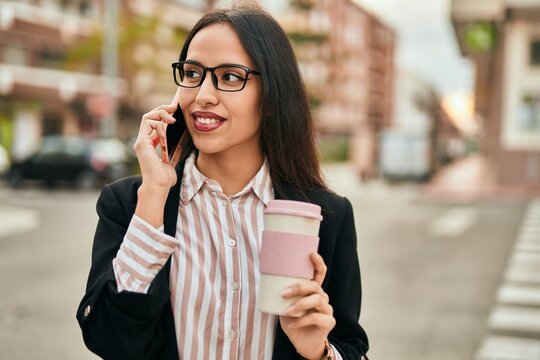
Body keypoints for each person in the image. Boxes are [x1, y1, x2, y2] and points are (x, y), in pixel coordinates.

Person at [76, 3, 369, 359]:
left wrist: (318, 350)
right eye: (193, 73)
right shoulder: (129, 204)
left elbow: (350, 347)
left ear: (273, 96)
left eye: (230, 77)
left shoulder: (324, 215)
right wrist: (153, 194)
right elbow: (108, 339)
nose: (203, 95)